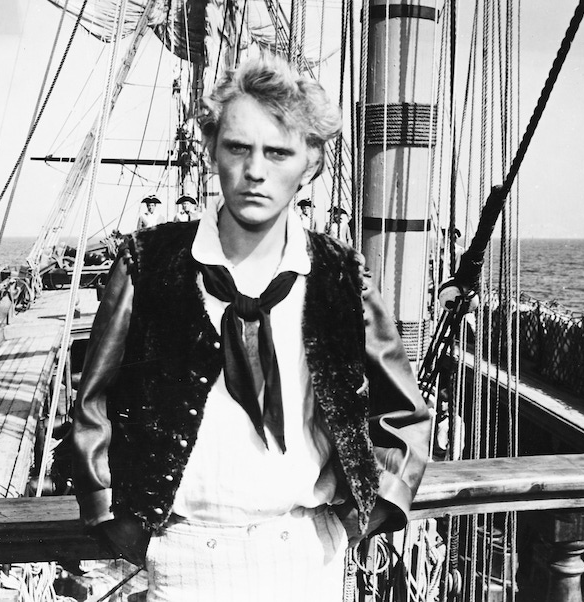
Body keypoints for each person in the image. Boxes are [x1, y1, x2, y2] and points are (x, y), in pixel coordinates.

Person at [72, 54, 429, 600]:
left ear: (309, 164)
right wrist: (106, 508)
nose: (255, 171)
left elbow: (401, 408)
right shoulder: (147, 264)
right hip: (186, 556)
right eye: (238, 148)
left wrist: (386, 495)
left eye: (278, 152)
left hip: (309, 552)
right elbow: (94, 397)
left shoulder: (339, 275)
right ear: (212, 150)